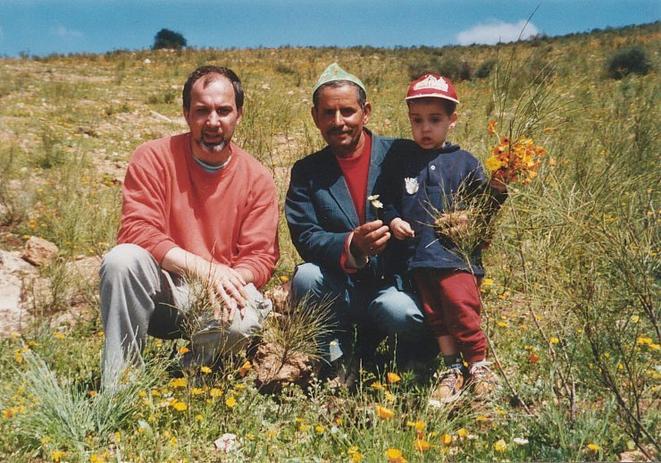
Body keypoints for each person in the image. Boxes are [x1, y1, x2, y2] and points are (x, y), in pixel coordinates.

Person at [100, 65, 279, 388]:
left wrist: (226, 282)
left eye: (223, 111)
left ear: (239, 114)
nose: (213, 122)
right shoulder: (153, 157)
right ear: (186, 114)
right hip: (164, 287)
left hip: (219, 294)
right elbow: (137, 230)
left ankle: (185, 380)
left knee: (242, 322)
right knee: (121, 260)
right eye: (202, 111)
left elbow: (261, 257)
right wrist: (207, 270)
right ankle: (119, 389)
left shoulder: (257, 177)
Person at [285, 63, 434, 383]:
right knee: (306, 277)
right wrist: (352, 246)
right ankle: (336, 357)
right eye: (328, 113)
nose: (338, 122)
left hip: (395, 286)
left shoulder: (403, 153)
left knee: (401, 312)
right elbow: (305, 235)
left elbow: (436, 204)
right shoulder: (307, 171)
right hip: (344, 288)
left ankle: (409, 356)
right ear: (315, 118)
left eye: (347, 111)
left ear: (365, 112)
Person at [381, 73, 508, 403]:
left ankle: (478, 364)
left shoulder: (464, 162)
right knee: (435, 315)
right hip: (419, 256)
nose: (425, 128)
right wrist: (393, 219)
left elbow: (483, 210)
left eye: (435, 120)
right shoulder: (402, 160)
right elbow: (388, 199)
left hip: (456, 258)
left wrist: (497, 189)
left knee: (461, 309)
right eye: (417, 120)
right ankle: (452, 369)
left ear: (453, 120)